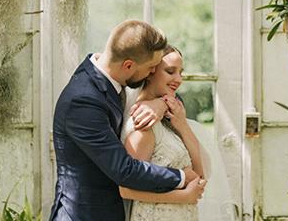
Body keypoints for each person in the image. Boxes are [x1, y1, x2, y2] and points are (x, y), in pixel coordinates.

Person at [49, 20, 206, 221]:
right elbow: (124, 170)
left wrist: (161, 104)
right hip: (85, 215)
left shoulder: (118, 78)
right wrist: (182, 178)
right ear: (128, 65)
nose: (152, 72)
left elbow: (167, 92)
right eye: (151, 67)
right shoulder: (83, 100)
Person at [120, 45, 206, 221]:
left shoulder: (171, 118)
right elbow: (126, 189)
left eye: (180, 72)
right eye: (170, 71)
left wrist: (182, 125)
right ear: (150, 72)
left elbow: (199, 176)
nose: (179, 79)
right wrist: (184, 196)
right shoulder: (142, 124)